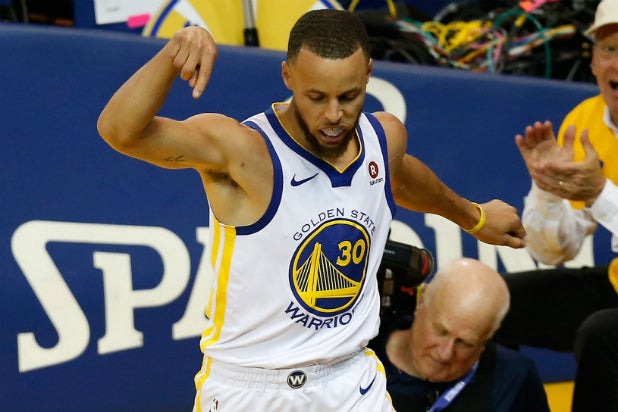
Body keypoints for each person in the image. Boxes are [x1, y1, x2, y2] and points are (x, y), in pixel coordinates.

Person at [97, 9, 525, 412]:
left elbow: (402, 177)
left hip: (350, 378)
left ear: (368, 73)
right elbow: (120, 132)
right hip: (251, 388)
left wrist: (474, 217)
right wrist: (171, 56)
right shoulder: (244, 151)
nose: (334, 115)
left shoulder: (383, 138)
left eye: (349, 96)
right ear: (288, 76)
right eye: (316, 97)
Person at [493, 0, 618, 410]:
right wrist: (547, 187)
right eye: (609, 49)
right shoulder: (584, 122)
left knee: (602, 334)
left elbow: (599, 196)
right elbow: (554, 251)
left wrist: (599, 192)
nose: (617, 63)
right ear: (594, 63)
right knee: (496, 303)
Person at [372, 258, 549, 412]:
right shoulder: (361, 356)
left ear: (487, 337)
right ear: (421, 301)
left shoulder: (513, 379)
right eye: (441, 331)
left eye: (465, 343)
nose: (445, 354)